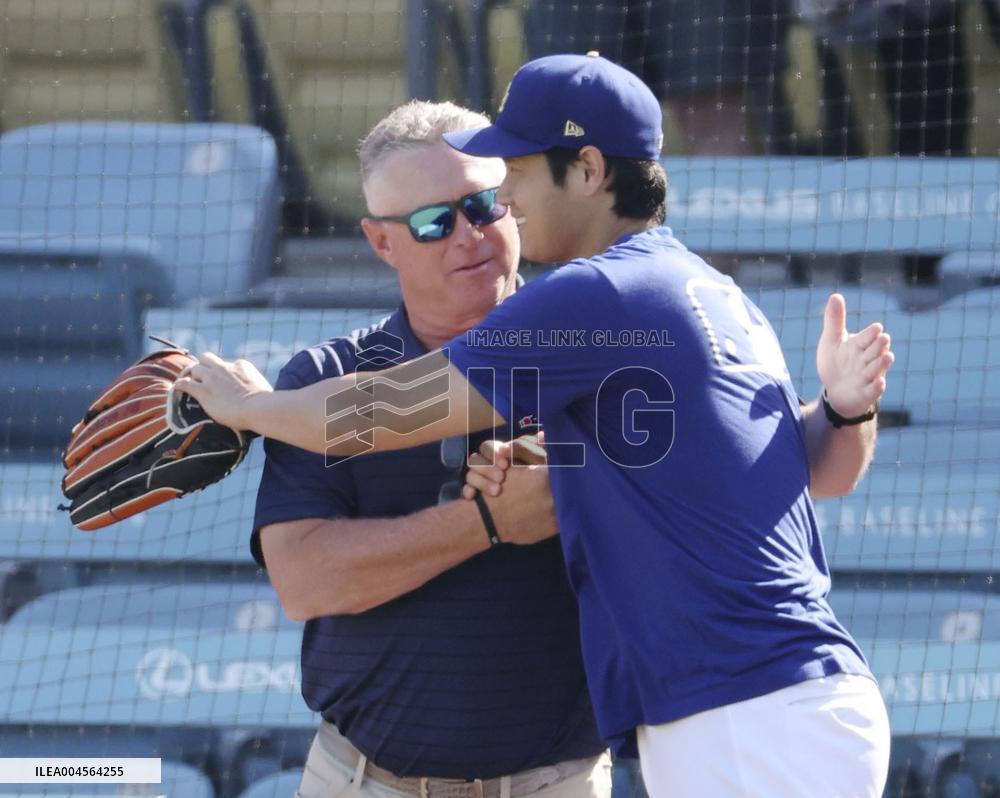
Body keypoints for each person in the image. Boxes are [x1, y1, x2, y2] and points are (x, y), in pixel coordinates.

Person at [179, 55, 896, 797]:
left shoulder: (593, 298)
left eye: (509, 179)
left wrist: (247, 407)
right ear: (382, 240)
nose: (505, 202)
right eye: (436, 219)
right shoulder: (713, 293)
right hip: (780, 704)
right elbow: (823, 472)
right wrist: (844, 409)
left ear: (587, 170)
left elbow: (388, 411)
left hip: (746, 715)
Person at [250, 100, 611, 798]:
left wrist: (575, 484)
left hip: (558, 782)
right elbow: (305, 581)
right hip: (362, 782)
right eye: (431, 222)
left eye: (483, 204)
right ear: (381, 242)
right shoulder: (327, 379)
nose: (468, 235)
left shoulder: (595, 353)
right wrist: (487, 524)